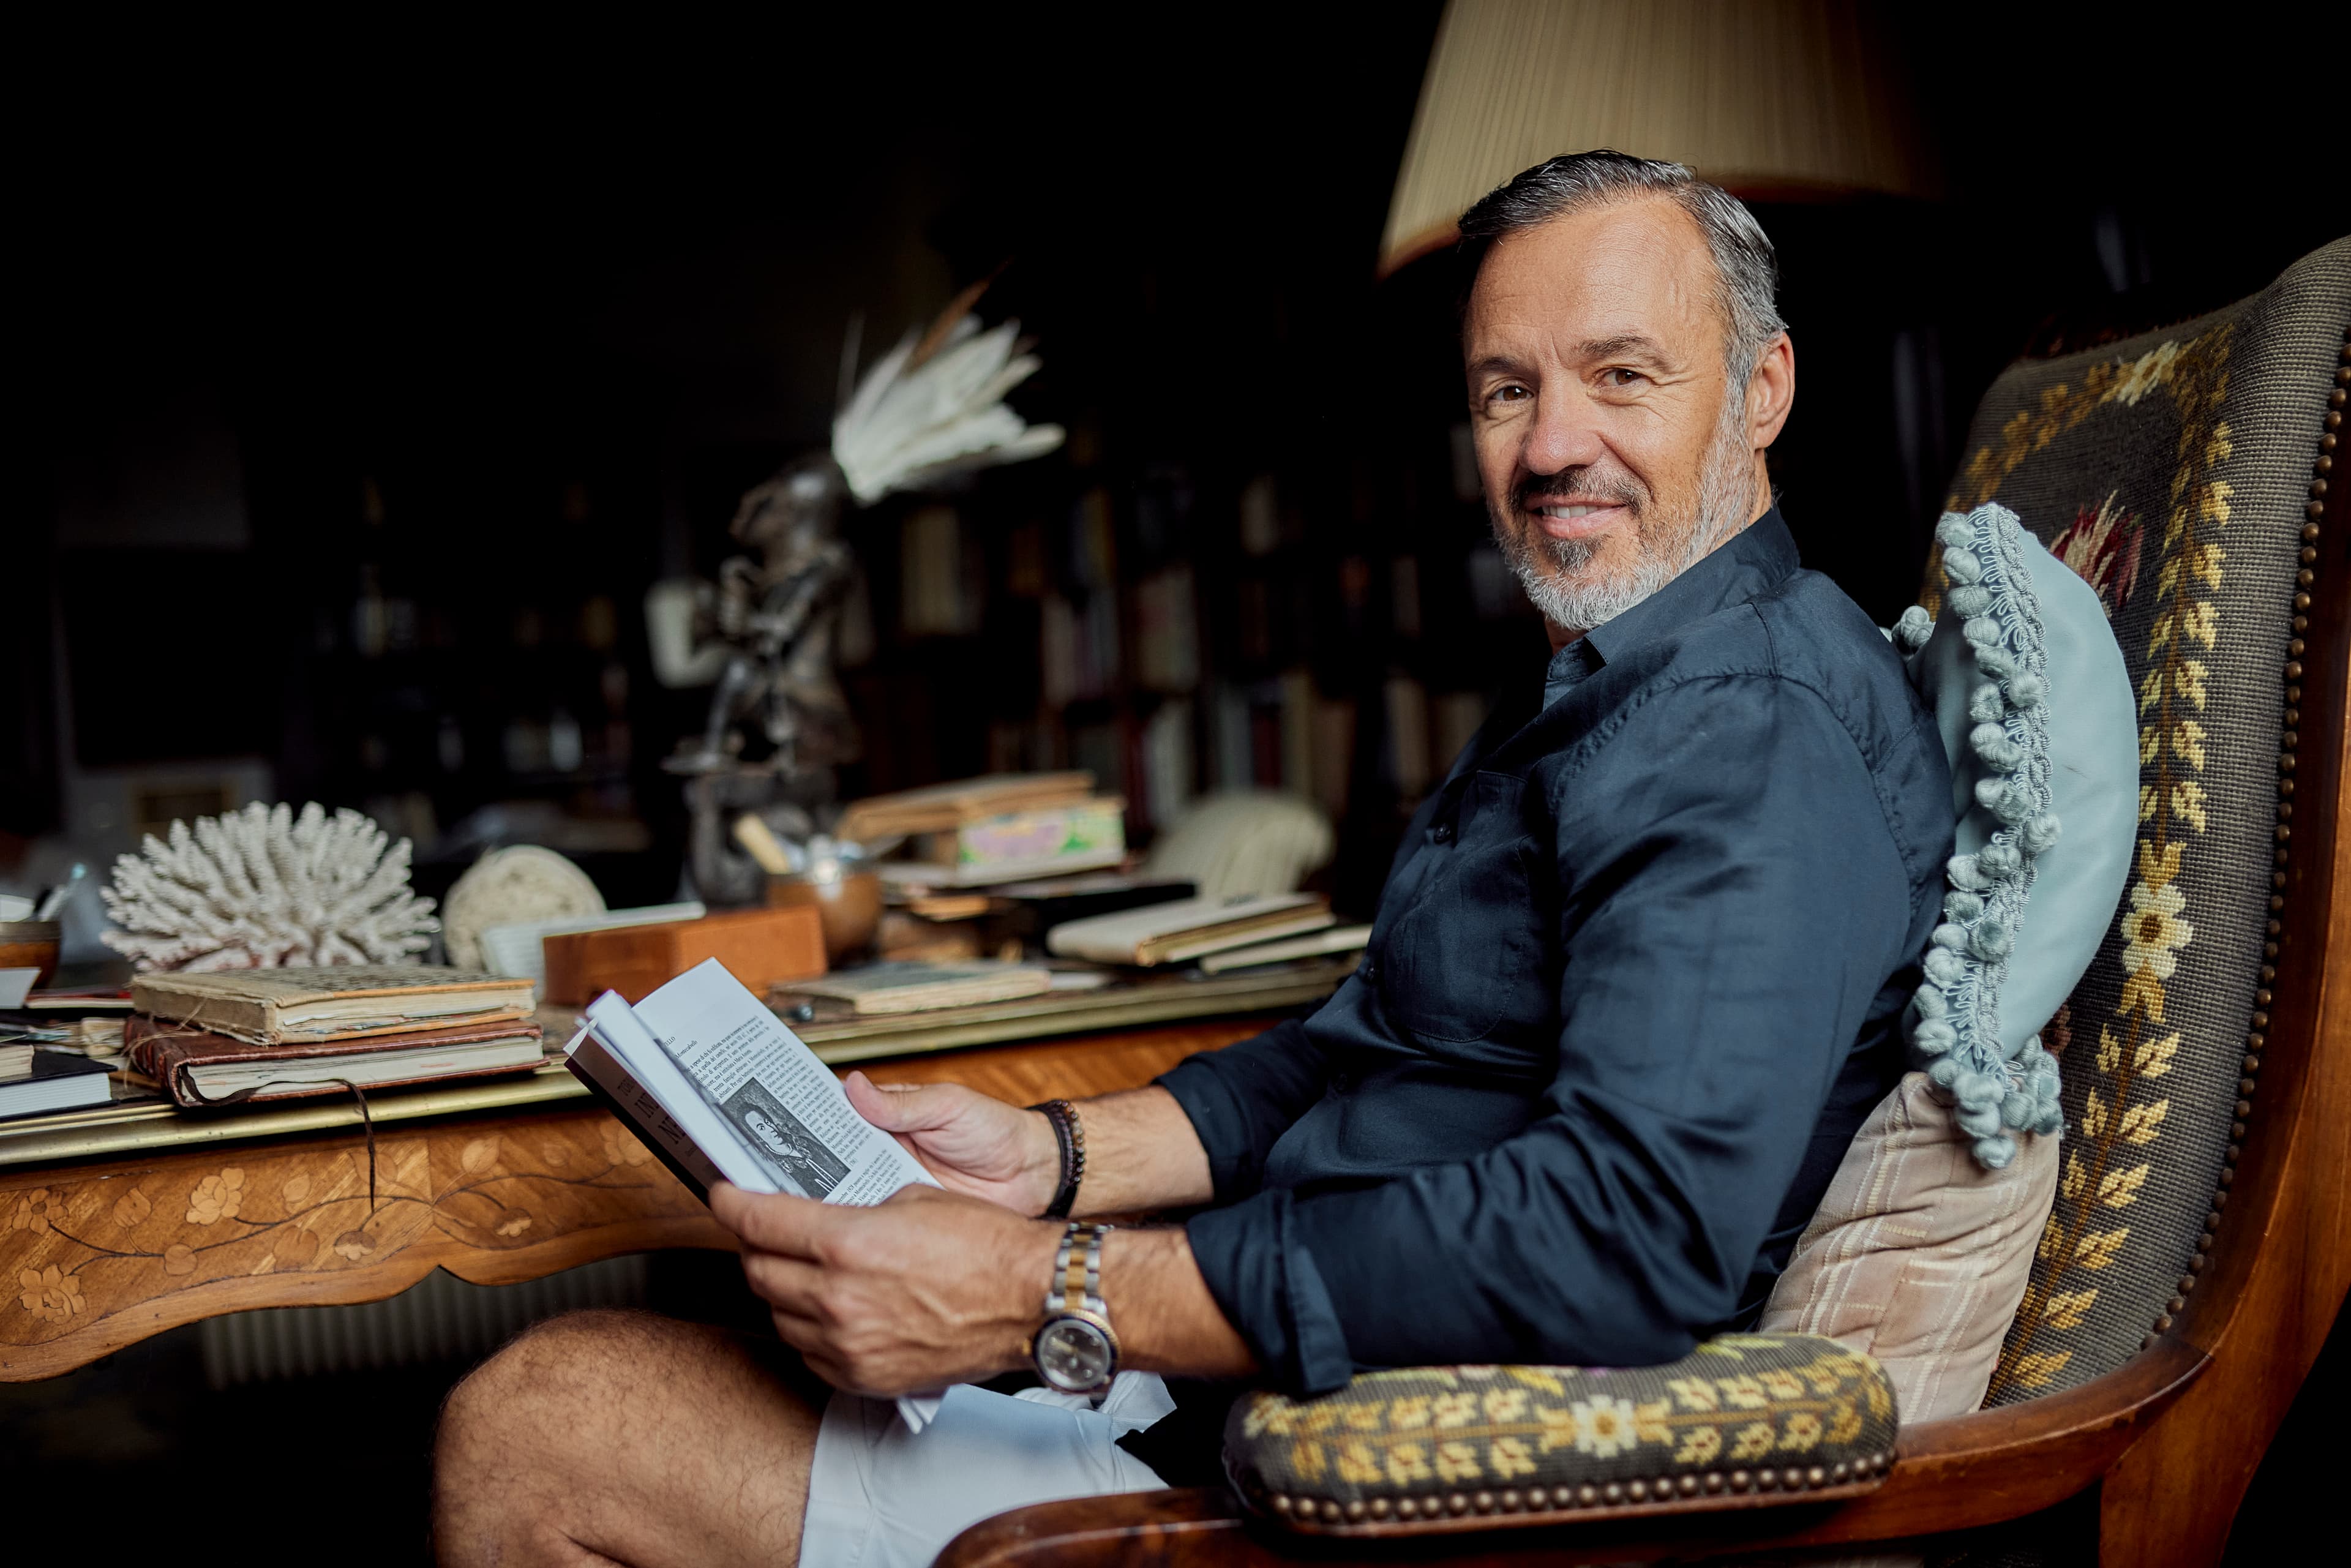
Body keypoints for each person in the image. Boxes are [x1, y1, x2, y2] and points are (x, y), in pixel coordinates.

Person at [431, 151, 1952, 1568]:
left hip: (1379, 1477)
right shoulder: (1610, 682)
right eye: (1506, 392)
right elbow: (1364, 1051)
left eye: (1623, 376)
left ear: (1764, 389)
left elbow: (1624, 1238)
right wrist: (1055, 1159)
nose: (1554, 447)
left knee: (536, 1429)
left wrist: (1040, 1291)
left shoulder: (1740, 726)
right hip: (1217, 1388)